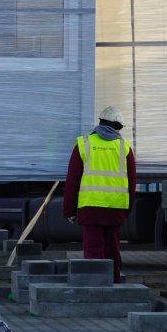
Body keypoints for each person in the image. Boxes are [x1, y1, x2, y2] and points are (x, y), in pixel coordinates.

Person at [63, 105, 137, 284]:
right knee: (113, 250)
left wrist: (69, 210)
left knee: (93, 250)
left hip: (90, 208)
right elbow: (132, 183)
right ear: (118, 127)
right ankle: (114, 283)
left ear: (100, 123)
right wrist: (127, 210)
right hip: (115, 208)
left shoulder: (84, 143)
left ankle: (95, 286)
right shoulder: (124, 147)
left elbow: (72, 181)